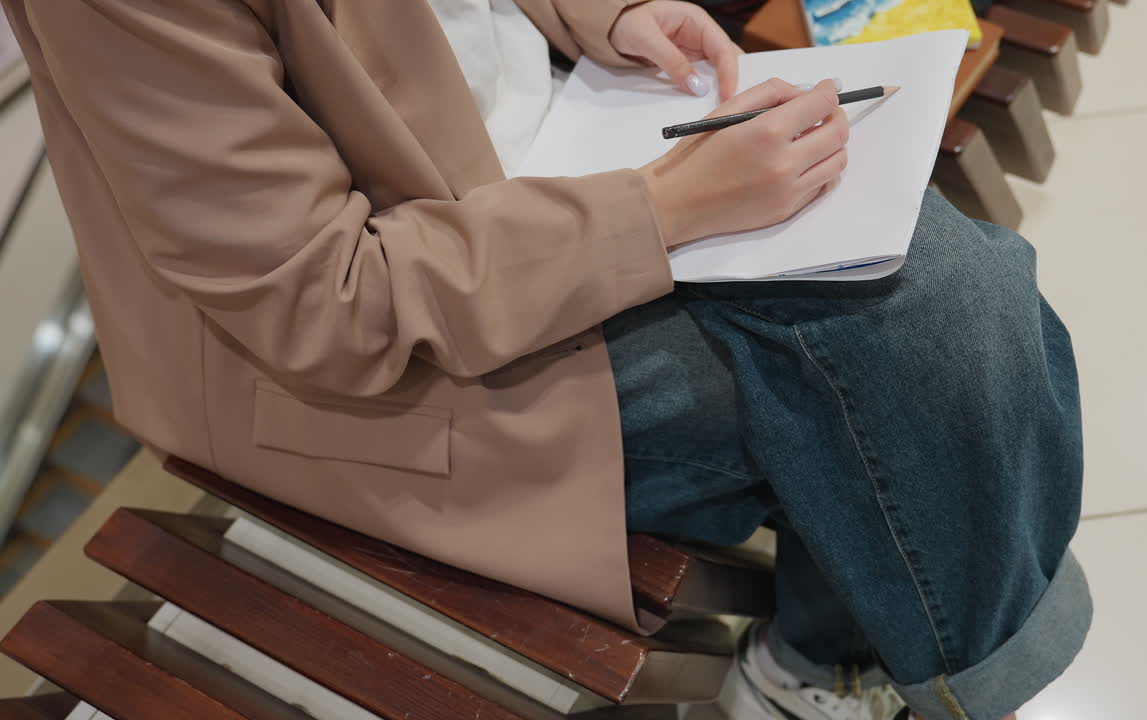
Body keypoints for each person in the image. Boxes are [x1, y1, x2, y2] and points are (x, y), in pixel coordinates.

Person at [2, 0, 1088, 718]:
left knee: (940, 300)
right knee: (916, 335)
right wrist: (658, 213)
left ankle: (832, 663)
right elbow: (318, 303)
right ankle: (852, 669)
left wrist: (603, 13)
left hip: (556, 155)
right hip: (396, 339)